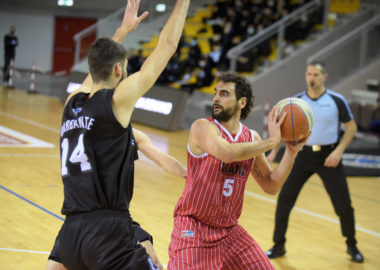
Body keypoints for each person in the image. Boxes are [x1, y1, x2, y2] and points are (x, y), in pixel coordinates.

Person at [54, 0, 189, 269]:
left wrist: (122, 31)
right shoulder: (116, 101)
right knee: (153, 259)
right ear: (119, 70)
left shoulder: (73, 101)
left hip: (70, 231)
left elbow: (98, 61)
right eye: (124, 66)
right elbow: (168, 46)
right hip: (106, 230)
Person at [167, 72, 308, 270]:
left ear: (242, 102)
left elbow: (271, 185)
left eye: (224, 94)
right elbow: (226, 153)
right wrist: (273, 142)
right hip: (194, 226)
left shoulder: (251, 137)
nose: (216, 98)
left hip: (229, 231)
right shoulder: (202, 127)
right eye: (216, 93)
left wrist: (291, 153)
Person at [46, 128, 187, 270]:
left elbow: (164, 160)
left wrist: (189, 174)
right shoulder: (86, 128)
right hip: (91, 218)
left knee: (151, 256)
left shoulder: (132, 134)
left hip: (108, 218)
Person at [265, 61, 364, 263]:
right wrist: (274, 152)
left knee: (344, 205)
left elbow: (351, 128)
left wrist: (338, 151)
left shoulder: (337, 100)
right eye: (309, 74)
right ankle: (278, 245)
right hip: (302, 156)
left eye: (316, 74)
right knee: (284, 200)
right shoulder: (296, 102)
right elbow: (282, 129)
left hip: (329, 157)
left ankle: (352, 245)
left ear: (324, 77)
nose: (312, 78)